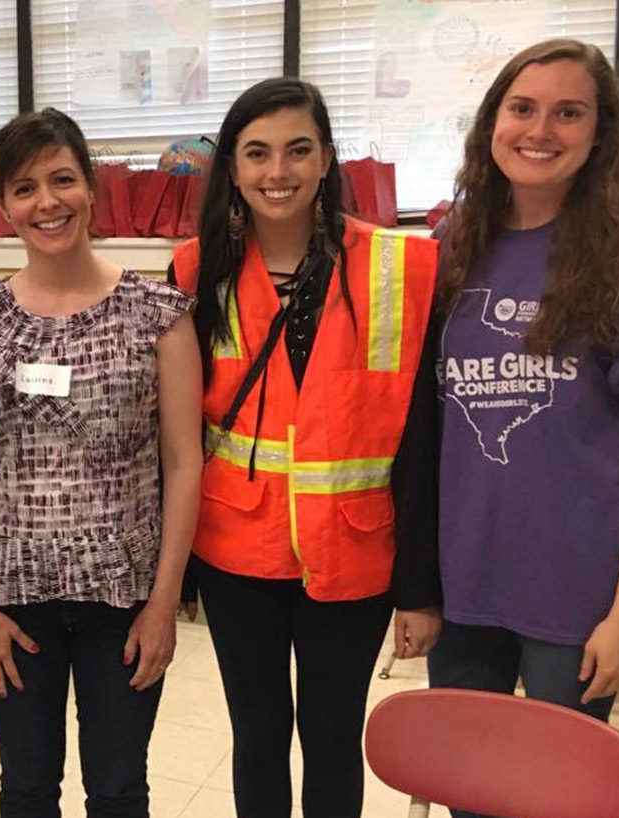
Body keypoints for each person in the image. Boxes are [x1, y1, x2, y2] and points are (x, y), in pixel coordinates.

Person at [171, 78, 442, 818]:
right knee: (257, 737)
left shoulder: (406, 269)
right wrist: (179, 573)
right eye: (256, 153)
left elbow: (422, 446)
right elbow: (182, 433)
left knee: (330, 737)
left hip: (355, 553)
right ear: (231, 165)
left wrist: (421, 589)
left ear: (327, 159)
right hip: (235, 551)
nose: (277, 171)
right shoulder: (196, 272)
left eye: (298, 150)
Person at [0, 108, 203, 818]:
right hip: (14, 599)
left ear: (91, 186)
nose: (46, 202)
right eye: (24, 188)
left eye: (62, 180)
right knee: (26, 786)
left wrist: (164, 604)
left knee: (118, 788)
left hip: (125, 599)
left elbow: (184, 463)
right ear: (2, 205)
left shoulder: (158, 312)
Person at [428, 39, 619, 817]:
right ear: (492, 123)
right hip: (465, 589)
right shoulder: (450, 252)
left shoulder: (617, 262)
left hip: (576, 605)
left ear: (600, 135)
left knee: (559, 802)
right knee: (471, 798)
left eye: (568, 112)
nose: (540, 130)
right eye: (523, 108)